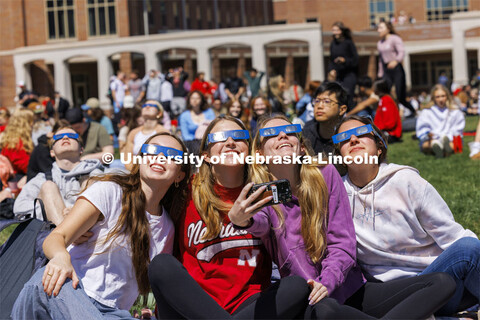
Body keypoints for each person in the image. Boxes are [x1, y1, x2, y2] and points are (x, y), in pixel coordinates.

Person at [229, 114, 457, 319]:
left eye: (290, 131)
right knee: (327, 311)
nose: (282, 135)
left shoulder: (325, 175)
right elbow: (259, 223)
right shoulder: (261, 190)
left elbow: (343, 242)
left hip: (349, 288)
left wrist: (328, 281)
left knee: (441, 283)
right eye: (271, 134)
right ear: (259, 153)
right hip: (312, 300)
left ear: (300, 147)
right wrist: (243, 220)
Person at [12, 132, 190, 319]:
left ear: (179, 175)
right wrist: (60, 256)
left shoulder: (167, 227)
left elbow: (149, 288)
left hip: (111, 313)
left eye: (171, 155)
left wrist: (146, 309)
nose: (160, 157)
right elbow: (56, 237)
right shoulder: (110, 192)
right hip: (62, 289)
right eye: (152, 150)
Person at [148, 115, 310, 319]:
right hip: (192, 305)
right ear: (206, 155)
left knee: (296, 286)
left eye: (239, 136)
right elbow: (141, 196)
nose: (230, 142)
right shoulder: (184, 192)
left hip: (249, 304)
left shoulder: (265, 192)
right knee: (162, 265)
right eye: (220, 138)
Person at [334, 115, 479, 316]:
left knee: (468, 248)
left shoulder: (406, 181)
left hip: (435, 280)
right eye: (343, 138)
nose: (353, 140)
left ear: (379, 147)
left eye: (361, 133)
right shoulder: (335, 194)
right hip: (389, 294)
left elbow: (453, 237)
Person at [14, 125, 104, 225]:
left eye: (71, 136)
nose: (65, 137)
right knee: (48, 187)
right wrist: (53, 209)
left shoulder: (97, 173)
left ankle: (70, 233)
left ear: (81, 149)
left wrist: (74, 212)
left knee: (90, 181)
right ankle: (68, 234)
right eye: (58, 137)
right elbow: (19, 208)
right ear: (52, 152)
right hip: (55, 232)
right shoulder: (42, 178)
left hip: (91, 230)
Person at [377, 21, 416, 116]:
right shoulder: (379, 43)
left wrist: (396, 61)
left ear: (388, 29)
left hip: (397, 69)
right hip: (386, 71)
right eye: (378, 28)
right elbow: (381, 59)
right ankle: (391, 115)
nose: (378, 30)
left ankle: (414, 112)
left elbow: (401, 52)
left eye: (381, 28)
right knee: (385, 94)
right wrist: (380, 73)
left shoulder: (395, 39)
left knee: (400, 96)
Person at [416, 84, 465, 158]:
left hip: (449, 138)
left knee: (453, 144)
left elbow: (458, 128)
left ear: (447, 96)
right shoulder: (427, 111)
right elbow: (422, 127)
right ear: (433, 98)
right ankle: (439, 147)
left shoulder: (454, 111)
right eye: (437, 97)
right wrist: (428, 134)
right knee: (425, 145)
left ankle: (442, 148)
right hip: (433, 138)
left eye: (443, 96)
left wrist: (450, 135)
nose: (441, 99)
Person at [303, 82, 347, 156]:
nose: (319, 106)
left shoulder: (348, 138)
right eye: (317, 101)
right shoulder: (305, 136)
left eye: (327, 101)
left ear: (342, 109)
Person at [123, 101, 168, 171]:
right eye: (145, 105)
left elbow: (165, 159)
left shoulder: (164, 133)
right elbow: (128, 159)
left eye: (152, 105)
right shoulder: (133, 133)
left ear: (159, 113)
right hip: (134, 171)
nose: (147, 107)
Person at [329, 22, 358, 110]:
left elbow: (355, 60)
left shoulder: (348, 43)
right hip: (339, 75)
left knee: (348, 95)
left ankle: (351, 116)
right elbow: (331, 59)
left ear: (341, 31)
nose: (335, 32)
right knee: (339, 97)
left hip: (349, 74)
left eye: (337, 30)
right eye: (333, 30)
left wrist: (344, 60)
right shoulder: (333, 44)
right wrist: (331, 69)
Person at [0, 108, 34, 177]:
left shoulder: (17, 139)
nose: (33, 124)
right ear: (25, 123)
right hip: (17, 180)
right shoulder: (15, 143)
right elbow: (28, 168)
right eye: (32, 121)